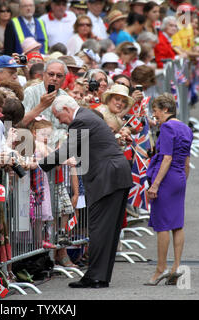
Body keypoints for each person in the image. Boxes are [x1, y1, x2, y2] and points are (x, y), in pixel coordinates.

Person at [37, 94, 133, 288]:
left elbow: (67, 151)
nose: (59, 121)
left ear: (66, 109)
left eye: (58, 116)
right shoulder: (90, 116)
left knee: (99, 228)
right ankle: (100, 276)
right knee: (108, 230)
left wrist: (39, 166)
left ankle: (95, 277)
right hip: (115, 174)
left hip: (107, 177)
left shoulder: (80, 121)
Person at [144, 93, 193, 286]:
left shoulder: (167, 127)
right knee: (177, 224)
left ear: (165, 109)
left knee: (162, 224)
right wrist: (182, 180)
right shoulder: (186, 128)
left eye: (155, 110)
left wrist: (155, 184)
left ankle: (160, 269)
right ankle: (175, 268)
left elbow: (166, 158)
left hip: (166, 177)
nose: (154, 115)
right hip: (180, 177)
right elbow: (187, 161)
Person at [21, 59, 69, 145]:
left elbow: (68, 128)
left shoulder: (66, 98)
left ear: (64, 78)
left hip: (57, 148)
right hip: (33, 146)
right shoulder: (31, 92)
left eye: (59, 76)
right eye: (51, 74)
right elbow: (21, 123)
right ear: (43, 74)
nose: (54, 78)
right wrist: (41, 106)